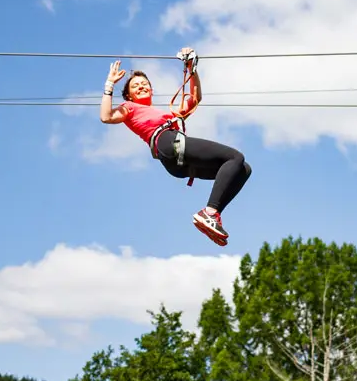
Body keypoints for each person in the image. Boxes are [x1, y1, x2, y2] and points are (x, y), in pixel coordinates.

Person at [99, 47, 252, 246]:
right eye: (135, 86)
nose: (141, 86)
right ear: (129, 96)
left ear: (152, 90)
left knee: (243, 169)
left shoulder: (170, 115)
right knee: (235, 157)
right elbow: (106, 116)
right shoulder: (130, 108)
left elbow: (195, 99)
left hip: (177, 165)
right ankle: (209, 212)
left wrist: (192, 69)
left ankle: (211, 215)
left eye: (145, 83)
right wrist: (109, 84)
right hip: (167, 142)